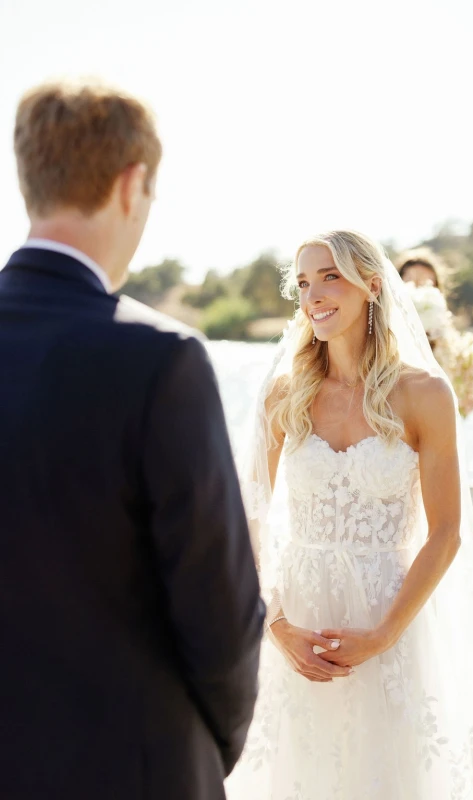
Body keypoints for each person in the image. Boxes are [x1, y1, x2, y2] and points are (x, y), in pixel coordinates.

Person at [0, 82, 264, 800]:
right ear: (132, 184)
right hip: (133, 767)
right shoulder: (159, 359)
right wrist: (206, 753)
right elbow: (222, 613)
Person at [227, 230, 473, 799]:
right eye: (302, 282)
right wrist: (274, 626)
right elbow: (245, 520)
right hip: (298, 619)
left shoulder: (424, 394)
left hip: (389, 616)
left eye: (329, 277)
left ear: (372, 286)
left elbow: (445, 533)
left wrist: (383, 635)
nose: (313, 294)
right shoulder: (283, 394)